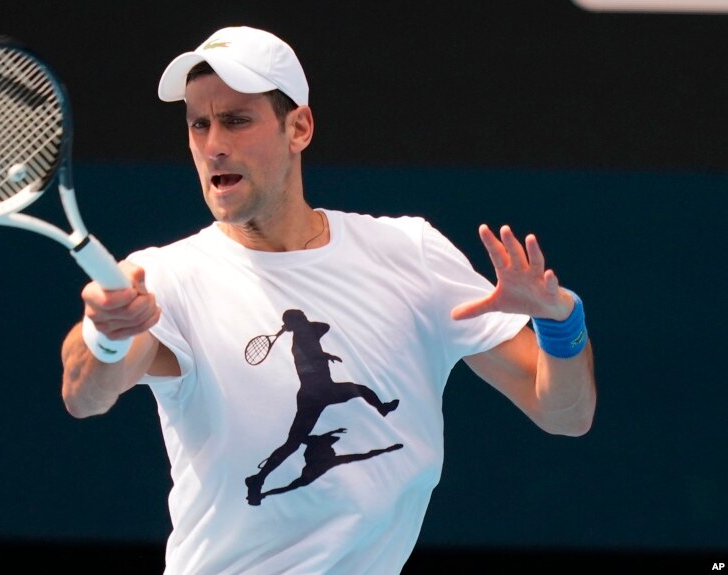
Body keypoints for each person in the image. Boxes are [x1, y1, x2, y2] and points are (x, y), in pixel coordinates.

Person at [60, 25, 596, 575]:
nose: (213, 143)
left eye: (237, 120)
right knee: (303, 435)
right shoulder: (165, 279)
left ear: (299, 128)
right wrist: (106, 333)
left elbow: (565, 415)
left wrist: (560, 321)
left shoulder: (409, 254)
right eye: (199, 124)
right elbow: (85, 395)